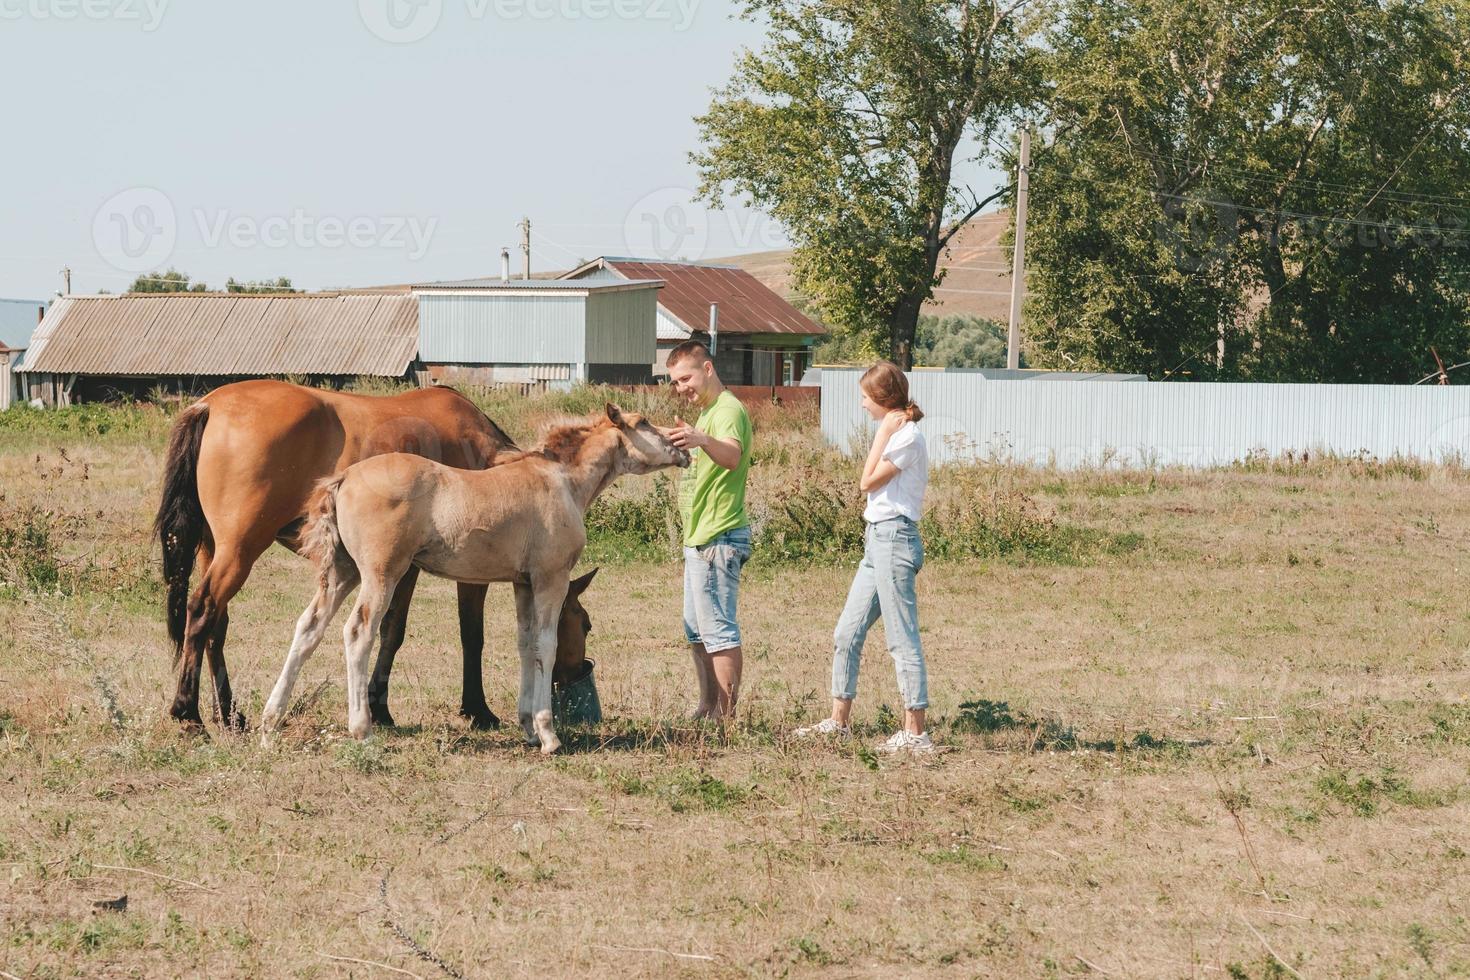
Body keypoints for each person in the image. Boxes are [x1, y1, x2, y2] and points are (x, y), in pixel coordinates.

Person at [795, 361, 932, 753]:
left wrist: (883, 433)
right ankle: (838, 722)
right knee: (846, 632)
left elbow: (866, 481)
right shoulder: (896, 433)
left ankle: (916, 732)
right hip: (877, 540)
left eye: (865, 398)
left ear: (884, 400)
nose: (861, 405)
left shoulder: (906, 437)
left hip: (895, 539)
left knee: (901, 637)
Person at [664, 341, 753, 721]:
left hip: (719, 536)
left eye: (685, 377)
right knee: (697, 632)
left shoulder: (728, 409)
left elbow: (732, 456)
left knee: (718, 631)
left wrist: (702, 440)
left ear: (708, 368)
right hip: (699, 537)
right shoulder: (707, 413)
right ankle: (708, 706)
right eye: (674, 381)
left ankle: (726, 718)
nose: (681, 386)